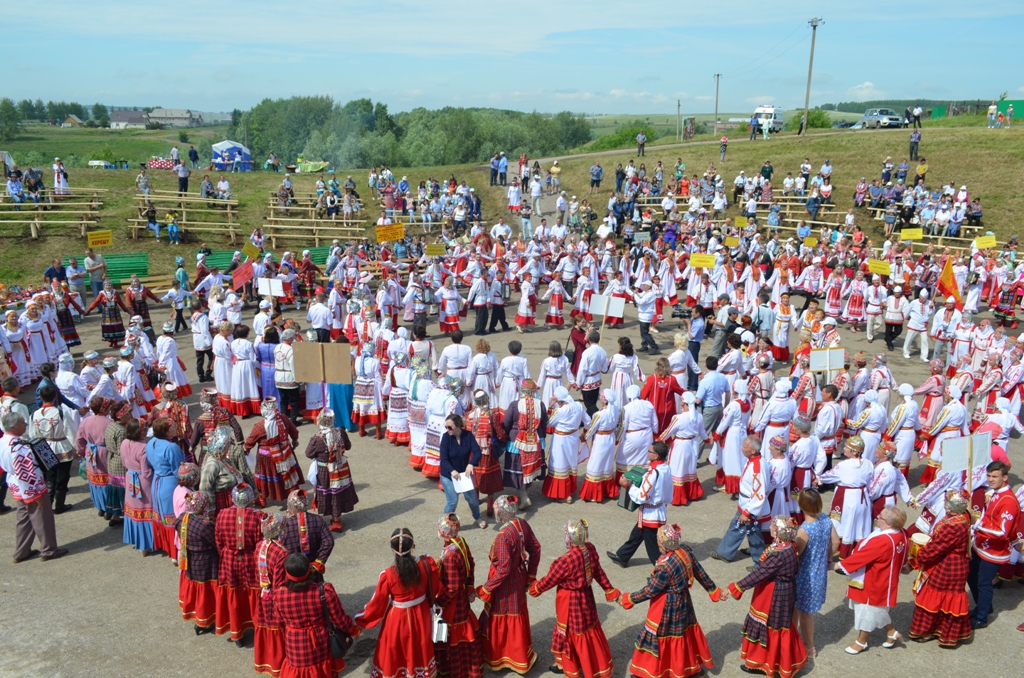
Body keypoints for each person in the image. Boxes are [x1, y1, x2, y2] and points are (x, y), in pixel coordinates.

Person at [618, 524, 722, 678]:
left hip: (666, 604)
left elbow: (650, 590)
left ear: (663, 543)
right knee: (683, 633)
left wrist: (629, 599)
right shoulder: (685, 551)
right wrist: (713, 590)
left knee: (658, 636)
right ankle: (690, 667)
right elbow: (700, 572)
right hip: (684, 600)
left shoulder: (665, 566)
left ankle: (649, 672)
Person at [529, 519, 619, 678]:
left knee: (569, 631)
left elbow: (550, 580)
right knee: (588, 629)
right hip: (586, 596)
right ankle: (585, 664)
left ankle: (572, 667)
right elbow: (598, 571)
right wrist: (608, 589)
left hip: (570, 601)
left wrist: (535, 588)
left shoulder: (566, 560)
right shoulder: (590, 548)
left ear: (569, 537)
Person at [726, 516, 808, 678]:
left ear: (779, 531)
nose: (770, 527)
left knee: (771, 626)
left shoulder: (779, 553)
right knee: (779, 626)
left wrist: (736, 588)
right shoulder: (790, 546)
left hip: (774, 594)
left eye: (773, 525)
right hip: (784, 591)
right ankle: (773, 663)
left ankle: (770, 665)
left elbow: (759, 574)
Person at [355, 528, 439, 678]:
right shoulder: (427, 564)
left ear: (392, 549)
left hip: (398, 618)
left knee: (396, 650)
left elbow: (377, 604)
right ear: (413, 546)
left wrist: (360, 620)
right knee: (419, 645)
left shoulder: (388, 574)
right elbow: (436, 587)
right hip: (421, 613)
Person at [477, 495, 541, 674]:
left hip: (505, 584)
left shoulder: (503, 536)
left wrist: (486, 588)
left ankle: (500, 657)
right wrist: (530, 575)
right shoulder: (522, 524)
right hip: (520, 577)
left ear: (500, 514)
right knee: (516, 613)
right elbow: (535, 548)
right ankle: (520, 656)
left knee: (500, 614)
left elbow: (503, 569)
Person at [836, 505, 909, 654]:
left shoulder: (882, 541)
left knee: (867, 611)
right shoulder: (901, 534)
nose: (877, 519)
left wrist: (838, 565)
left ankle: (861, 642)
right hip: (887, 578)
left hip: (874, 580)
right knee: (878, 610)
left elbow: (863, 557)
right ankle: (891, 632)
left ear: (889, 524)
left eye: (880, 517)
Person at [1, 410, 69, 563]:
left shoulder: (3, 442)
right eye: (22, 423)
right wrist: (35, 495)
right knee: (42, 518)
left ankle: (21, 551)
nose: (25, 424)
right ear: (13, 427)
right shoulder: (19, 447)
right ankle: (49, 550)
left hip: (15, 485)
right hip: (30, 489)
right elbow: (27, 474)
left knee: (23, 519)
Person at [908, 489, 973, 647]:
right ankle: (940, 630)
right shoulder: (962, 516)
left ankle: (930, 630)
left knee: (936, 597)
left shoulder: (953, 525)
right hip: (953, 563)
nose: (944, 503)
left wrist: (919, 556)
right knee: (945, 598)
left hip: (948, 566)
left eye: (946, 501)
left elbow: (937, 547)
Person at [968, 460, 1020, 629]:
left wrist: (977, 526)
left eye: (995, 476)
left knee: (983, 582)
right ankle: (982, 606)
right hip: (981, 545)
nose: (990, 480)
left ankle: (982, 617)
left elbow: (1002, 532)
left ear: (1005, 478)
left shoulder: (1009, 502)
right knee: (970, 575)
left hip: (994, 551)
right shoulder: (995, 493)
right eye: (989, 476)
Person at [608, 441, 674, 568]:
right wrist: (664, 504)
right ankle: (622, 556)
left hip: (650, 514)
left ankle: (663, 570)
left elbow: (642, 496)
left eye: (650, 451)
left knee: (652, 547)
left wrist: (627, 486)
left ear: (656, 456)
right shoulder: (666, 468)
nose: (647, 453)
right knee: (637, 533)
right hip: (657, 510)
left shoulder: (653, 473)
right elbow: (669, 490)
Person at [792, 489, 834, 658]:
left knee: (804, 612)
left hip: (805, 575)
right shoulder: (825, 518)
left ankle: (810, 647)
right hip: (820, 571)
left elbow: (797, 553)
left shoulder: (806, 529)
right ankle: (793, 638)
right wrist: (828, 558)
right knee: (797, 608)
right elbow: (835, 542)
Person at [712, 435, 767, 563]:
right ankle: (725, 553)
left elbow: (758, 492)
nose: (742, 449)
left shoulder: (757, 467)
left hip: (751, 505)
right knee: (737, 526)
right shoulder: (753, 460)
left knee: (754, 534)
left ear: (753, 450)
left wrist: (748, 512)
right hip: (746, 502)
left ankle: (760, 563)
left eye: (745, 447)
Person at [818, 435, 874, 559]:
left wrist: (817, 478)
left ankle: (843, 553)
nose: (844, 449)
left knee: (845, 524)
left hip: (847, 499)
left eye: (847, 447)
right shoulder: (868, 463)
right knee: (860, 525)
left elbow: (828, 476)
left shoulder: (843, 465)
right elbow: (871, 482)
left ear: (853, 451)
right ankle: (857, 552)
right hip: (862, 498)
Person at [304, 408, 357, 533]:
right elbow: (348, 446)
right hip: (341, 467)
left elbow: (308, 453)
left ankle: (336, 521)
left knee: (331, 494)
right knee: (338, 492)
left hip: (325, 470)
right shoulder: (341, 432)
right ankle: (336, 518)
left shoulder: (317, 438)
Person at [29, 384, 76, 515]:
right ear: (55, 397)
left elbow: (32, 435)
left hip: (45, 448)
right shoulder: (60, 412)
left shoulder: (34, 414)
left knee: (50, 477)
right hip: (62, 447)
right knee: (62, 476)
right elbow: (71, 432)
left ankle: (47, 504)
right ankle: (59, 505)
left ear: (40, 397)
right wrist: (78, 448)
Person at [244, 397, 301, 504]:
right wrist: (294, 441)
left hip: (266, 458)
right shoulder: (284, 419)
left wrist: (245, 450)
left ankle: (262, 498)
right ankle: (294, 499)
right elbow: (294, 432)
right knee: (288, 475)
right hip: (286, 454)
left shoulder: (260, 426)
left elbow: (250, 441)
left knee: (263, 477)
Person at [176, 490, 219, 634]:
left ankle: (198, 618)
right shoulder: (204, 525)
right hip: (206, 562)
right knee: (205, 592)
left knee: (196, 589)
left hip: (190, 559)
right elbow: (216, 544)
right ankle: (204, 621)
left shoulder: (182, 518)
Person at [252, 514, 287, 677]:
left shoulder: (259, 545)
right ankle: (279, 664)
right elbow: (280, 582)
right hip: (275, 595)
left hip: (263, 592)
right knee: (278, 626)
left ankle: (266, 661)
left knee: (265, 623)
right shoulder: (281, 552)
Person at [439, 413, 487, 529]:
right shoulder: (446, 438)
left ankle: (477, 517)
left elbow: (477, 452)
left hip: (464, 475)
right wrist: (452, 471)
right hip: (448, 475)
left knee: (472, 499)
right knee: (452, 501)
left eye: (450, 427)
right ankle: (444, 524)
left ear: (458, 426)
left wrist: (471, 464)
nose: (447, 429)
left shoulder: (468, 436)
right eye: (446, 427)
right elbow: (443, 459)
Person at [120, 418, 156, 555]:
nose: (147, 430)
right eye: (145, 429)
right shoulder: (143, 448)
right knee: (146, 510)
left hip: (130, 477)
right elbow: (147, 472)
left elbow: (124, 462)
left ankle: (139, 543)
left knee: (134, 512)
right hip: (142, 481)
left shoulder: (124, 443)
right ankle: (148, 543)